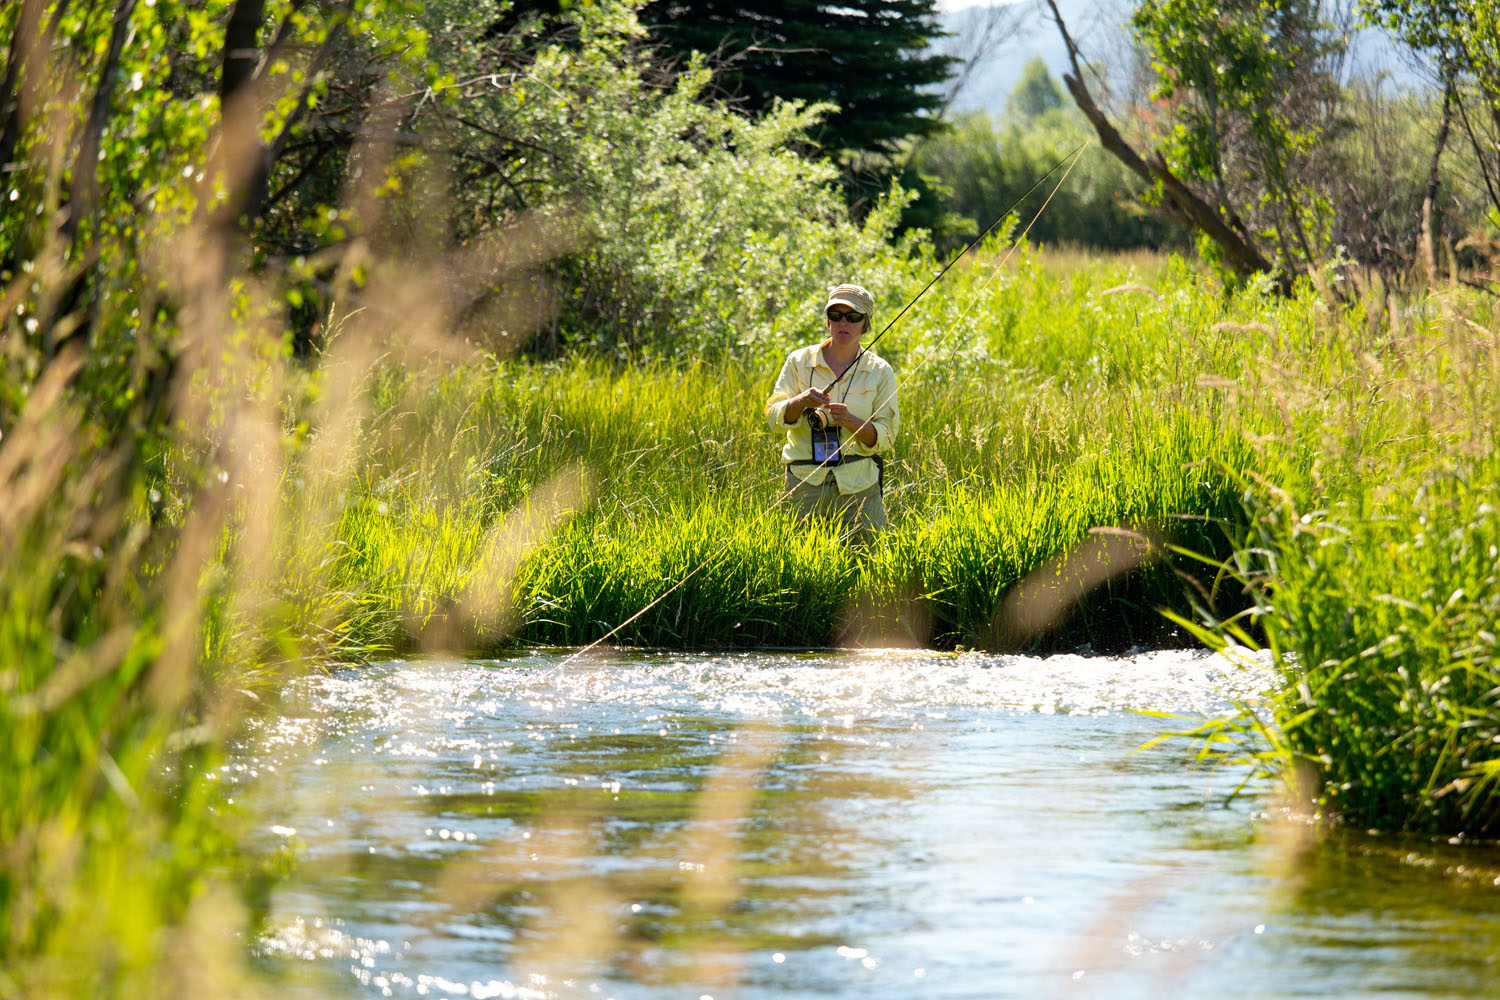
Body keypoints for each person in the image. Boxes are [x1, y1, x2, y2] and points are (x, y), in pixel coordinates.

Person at [765, 282, 899, 544]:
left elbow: (887, 436)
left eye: (853, 317)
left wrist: (850, 420)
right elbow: (774, 417)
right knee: (800, 570)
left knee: (866, 570)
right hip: (805, 483)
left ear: (865, 324)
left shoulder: (880, 371)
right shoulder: (798, 361)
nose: (843, 323)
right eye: (835, 315)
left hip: (860, 486)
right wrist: (801, 401)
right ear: (827, 321)